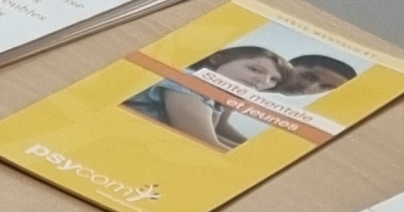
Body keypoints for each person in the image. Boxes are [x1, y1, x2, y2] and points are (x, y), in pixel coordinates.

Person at [121, 45, 293, 148]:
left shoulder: (218, 95)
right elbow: (204, 142)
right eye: (254, 69)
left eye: (274, 80)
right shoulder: (191, 82)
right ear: (216, 59)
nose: (263, 81)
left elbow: (218, 130)